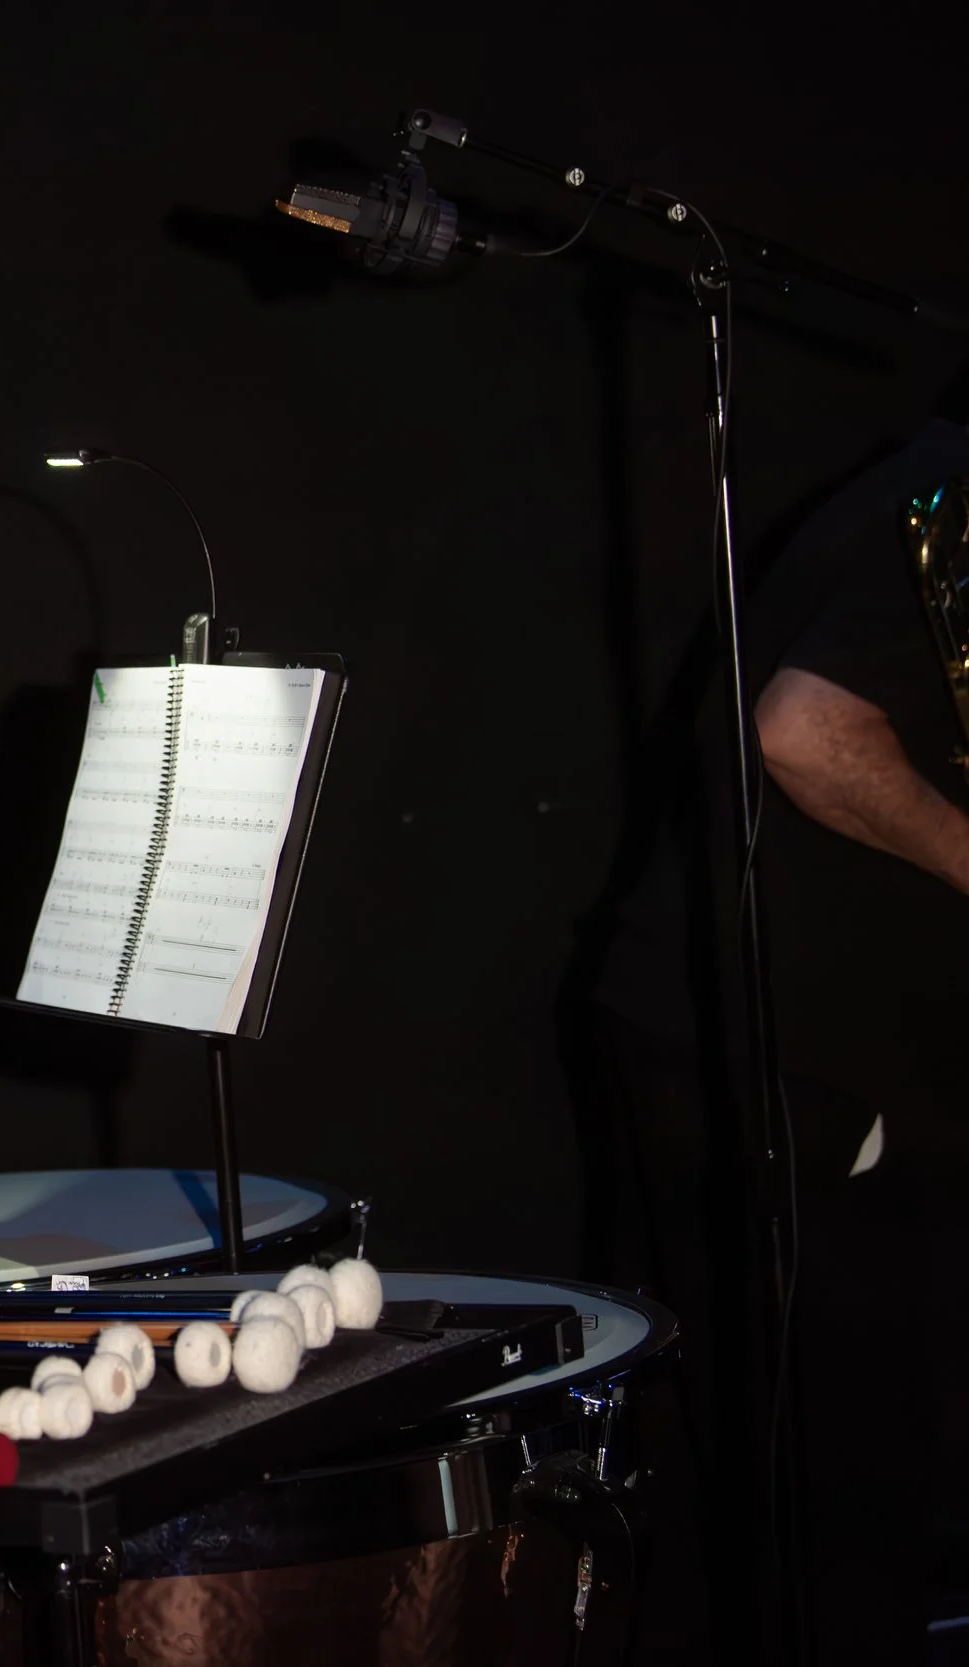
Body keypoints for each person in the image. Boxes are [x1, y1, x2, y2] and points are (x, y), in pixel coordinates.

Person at [576, 407, 969, 1663]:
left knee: (722, 1467)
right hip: (800, 1056)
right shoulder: (949, 494)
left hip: (715, 1024)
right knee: (840, 1487)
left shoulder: (920, 475)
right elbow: (806, 730)